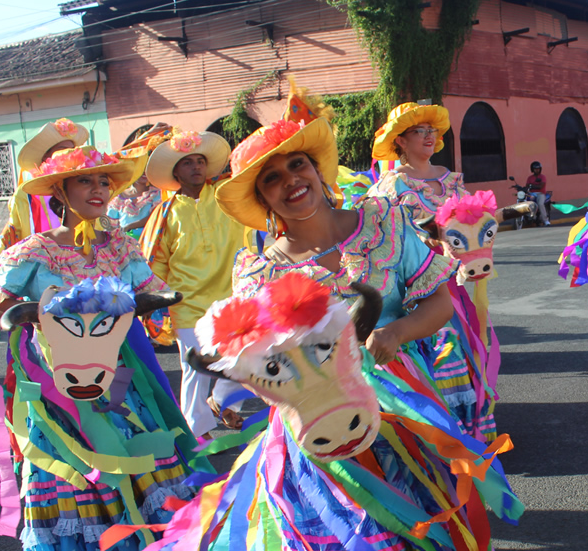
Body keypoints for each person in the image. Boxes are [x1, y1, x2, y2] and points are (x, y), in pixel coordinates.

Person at [203, 84, 522, 547]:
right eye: (271, 178)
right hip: (320, 422)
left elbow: (439, 302)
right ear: (263, 200)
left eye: (298, 164)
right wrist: (228, 388)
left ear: (317, 170)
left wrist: (397, 331)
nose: (291, 179)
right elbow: (260, 359)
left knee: (423, 518)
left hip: (401, 403)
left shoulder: (382, 223)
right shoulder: (258, 274)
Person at [0, 146, 204, 551]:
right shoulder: (35, 250)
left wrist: (153, 302)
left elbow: (151, 293)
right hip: (59, 383)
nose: (98, 189)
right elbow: (1, 299)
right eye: (85, 181)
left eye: (104, 181)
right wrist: (38, 314)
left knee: (135, 447)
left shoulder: (120, 246)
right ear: (60, 189)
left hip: (121, 375)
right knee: (75, 461)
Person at [367, 102, 500, 440]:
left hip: (455, 282)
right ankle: (437, 429)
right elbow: (377, 234)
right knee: (441, 348)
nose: (428, 137)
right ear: (400, 140)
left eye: (432, 131)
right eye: (419, 131)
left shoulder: (449, 178)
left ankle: (466, 426)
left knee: (467, 347)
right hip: (417, 289)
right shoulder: (389, 186)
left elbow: (473, 219)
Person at [141, 130, 247, 439]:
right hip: (186, 304)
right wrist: (157, 301)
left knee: (244, 357)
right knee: (195, 370)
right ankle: (196, 431)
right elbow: (157, 261)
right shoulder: (166, 214)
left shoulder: (228, 196)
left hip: (233, 296)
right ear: (176, 172)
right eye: (187, 163)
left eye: (200, 161)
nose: (196, 167)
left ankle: (224, 402)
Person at [0, 118, 91, 256]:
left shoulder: (81, 188)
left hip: (80, 259)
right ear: (46, 156)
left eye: (72, 150)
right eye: (62, 150)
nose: (68, 155)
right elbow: (14, 232)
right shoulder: (26, 193)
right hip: (43, 262)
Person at [108, 172, 161, 239]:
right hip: (125, 244)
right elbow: (111, 226)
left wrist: (129, 227)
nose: (144, 173)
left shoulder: (157, 194)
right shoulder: (119, 196)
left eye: (146, 169)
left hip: (148, 242)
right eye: (141, 169)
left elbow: (155, 217)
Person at [526, 161, 550, 225]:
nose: (537, 170)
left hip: (540, 193)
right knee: (528, 203)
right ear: (532, 169)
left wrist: (532, 185)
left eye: (538, 169)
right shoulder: (530, 178)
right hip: (532, 194)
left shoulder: (543, 177)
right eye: (535, 169)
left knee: (540, 204)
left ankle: (545, 220)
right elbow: (527, 186)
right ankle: (531, 216)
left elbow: (541, 186)